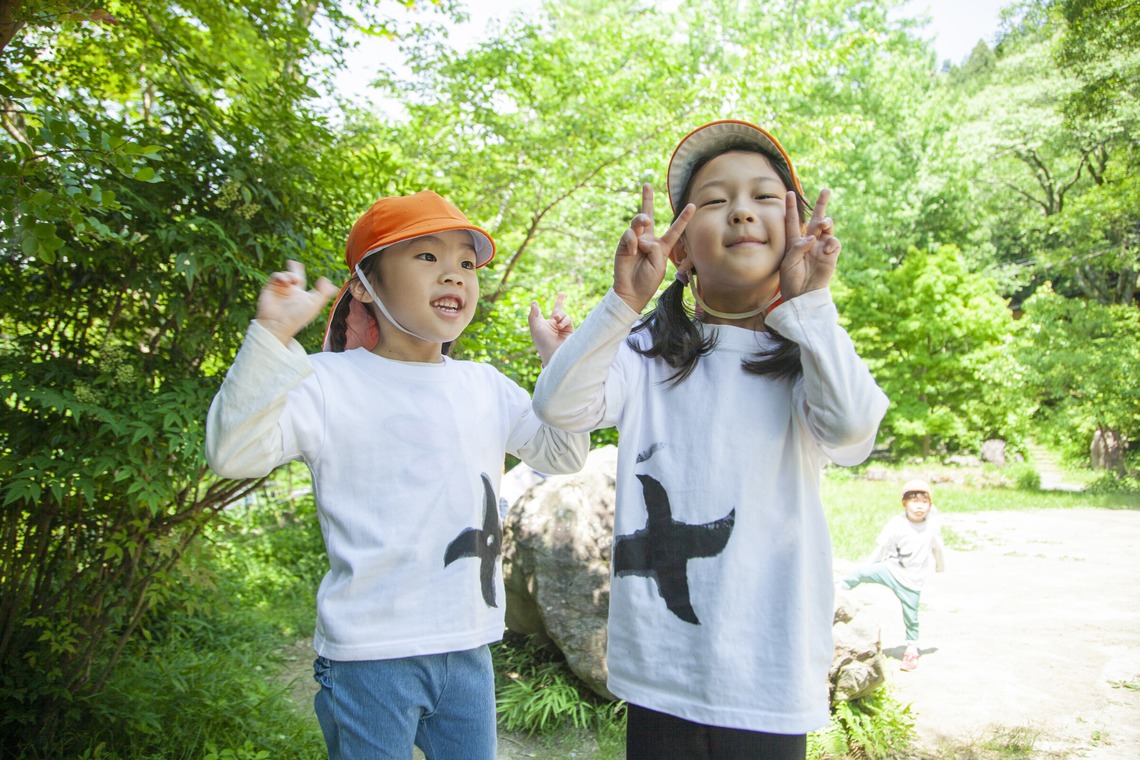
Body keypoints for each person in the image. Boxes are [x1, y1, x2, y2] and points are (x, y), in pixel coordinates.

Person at [531, 119, 889, 759]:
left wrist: (811, 309)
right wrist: (621, 305)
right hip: (662, 672)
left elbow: (855, 429)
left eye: (763, 198)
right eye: (717, 201)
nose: (743, 213)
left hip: (769, 675)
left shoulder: (809, 356)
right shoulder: (644, 354)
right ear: (681, 250)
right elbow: (560, 406)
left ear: (795, 235)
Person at [205, 190, 588, 760]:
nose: (454, 276)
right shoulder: (326, 382)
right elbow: (232, 454)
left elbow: (564, 454)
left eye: (465, 263)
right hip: (368, 653)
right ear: (364, 285)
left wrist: (560, 368)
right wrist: (271, 337)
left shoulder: (482, 386)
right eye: (427, 258)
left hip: (468, 645)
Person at [840, 479, 945, 672]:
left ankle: (912, 648)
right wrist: (869, 564)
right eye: (914, 501)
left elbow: (938, 548)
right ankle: (840, 588)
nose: (919, 506)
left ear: (930, 505)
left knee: (911, 615)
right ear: (904, 503)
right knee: (861, 573)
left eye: (924, 502)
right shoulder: (897, 523)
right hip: (890, 568)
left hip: (912, 579)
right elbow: (882, 545)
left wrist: (940, 565)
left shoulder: (931, 526)